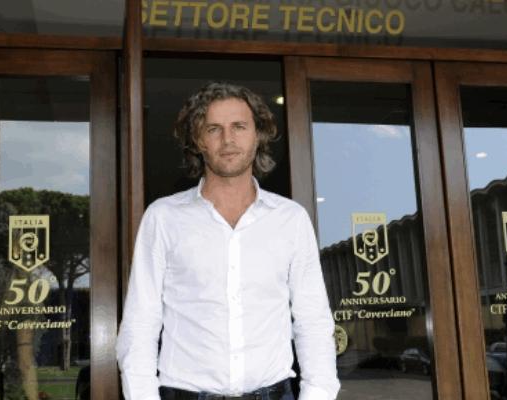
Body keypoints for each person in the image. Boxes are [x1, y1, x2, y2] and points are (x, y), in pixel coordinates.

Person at [116, 82, 340, 400]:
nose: (228, 139)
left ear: (258, 134)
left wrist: (317, 393)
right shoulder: (163, 218)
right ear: (198, 140)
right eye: (213, 129)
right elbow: (141, 322)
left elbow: (312, 319)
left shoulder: (291, 219)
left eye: (239, 126)